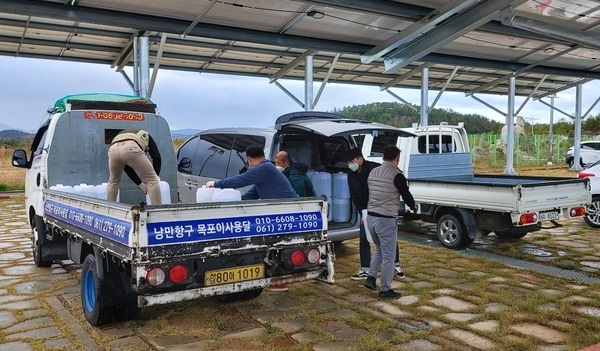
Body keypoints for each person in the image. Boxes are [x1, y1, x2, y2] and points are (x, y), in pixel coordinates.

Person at [206, 144, 298, 292]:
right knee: (275, 244)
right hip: (286, 210)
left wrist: (215, 184)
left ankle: (279, 281)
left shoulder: (263, 169)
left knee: (278, 245)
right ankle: (277, 279)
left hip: (288, 212)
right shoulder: (267, 170)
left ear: (249, 159)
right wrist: (232, 201)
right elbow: (252, 194)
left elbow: (239, 180)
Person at [363, 145, 417, 299]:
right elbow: (406, 195)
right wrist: (412, 206)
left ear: (383, 157)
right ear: (397, 158)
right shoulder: (397, 175)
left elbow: (367, 192)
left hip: (371, 217)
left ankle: (371, 278)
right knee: (389, 256)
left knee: (379, 249)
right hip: (385, 220)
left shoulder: (373, 172)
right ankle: (385, 289)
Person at [345, 147, 404, 280]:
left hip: (379, 208)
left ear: (360, 159)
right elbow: (353, 193)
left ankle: (395, 264)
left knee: (388, 238)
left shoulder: (374, 168)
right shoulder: (351, 173)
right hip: (364, 210)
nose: (350, 165)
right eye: (348, 162)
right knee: (364, 238)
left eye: (352, 161)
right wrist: (361, 210)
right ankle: (365, 269)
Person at [107, 129, 162, 205]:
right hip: (131, 146)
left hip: (113, 149)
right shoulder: (146, 135)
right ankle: (157, 212)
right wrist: (156, 176)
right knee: (152, 180)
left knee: (113, 181)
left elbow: (126, 165)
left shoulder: (122, 134)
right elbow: (156, 157)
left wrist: (140, 184)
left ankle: (109, 209)